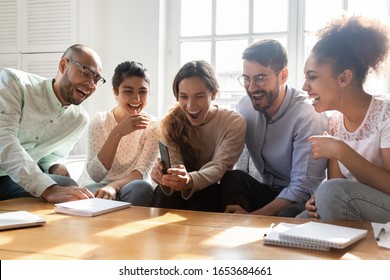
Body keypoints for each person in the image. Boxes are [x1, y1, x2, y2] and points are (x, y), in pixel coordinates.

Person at [297, 15, 390, 222]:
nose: (305, 87)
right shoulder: (335, 123)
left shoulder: (386, 115)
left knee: (330, 193)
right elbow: (336, 185)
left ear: (344, 78)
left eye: (312, 77)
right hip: (356, 206)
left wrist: (341, 151)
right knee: (297, 219)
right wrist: (317, 200)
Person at [220, 39, 328, 217]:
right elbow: (234, 158)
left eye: (260, 78)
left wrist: (253, 217)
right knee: (233, 178)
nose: (252, 88)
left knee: (288, 212)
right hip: (269, 191)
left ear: (283, 76)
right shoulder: (245, 107)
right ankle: (234, 237)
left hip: (302, 201)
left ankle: (249, 230)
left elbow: (302, 188)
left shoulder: (307, 116)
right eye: (247, 79)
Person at [0, 44, 104, 203]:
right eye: (85, 72)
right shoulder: (15, 82)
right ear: (63, 65)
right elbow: (3, 140)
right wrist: (48, 189)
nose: (91, 84)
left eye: (97, 79)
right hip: (14, 176)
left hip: (13, 181)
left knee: (69, 186)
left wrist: (56, 166)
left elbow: (53, 155)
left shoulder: (79, 119)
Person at [150, 60, 247, 212]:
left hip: (213, 192)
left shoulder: (233, 122)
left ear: (213, 93)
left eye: (199, 96)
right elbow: (175, 163)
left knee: (208, 192)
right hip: (177, 194)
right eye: (183, 97)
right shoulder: (171, 122)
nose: (190, 105)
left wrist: (189, 180)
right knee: (164, 193)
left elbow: (219, 166)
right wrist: (165, 176)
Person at [85, 61, 159, 206]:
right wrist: (118, 132)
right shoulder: (99, 121)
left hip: (133, 186)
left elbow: (142, 173)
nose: (137, 99)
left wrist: (114, 186)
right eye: (128, 91)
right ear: (115, 92)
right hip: (99, 185)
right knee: (91, 193)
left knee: (141, 188)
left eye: (142, 91)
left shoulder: (154, 126)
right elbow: (96, 175)